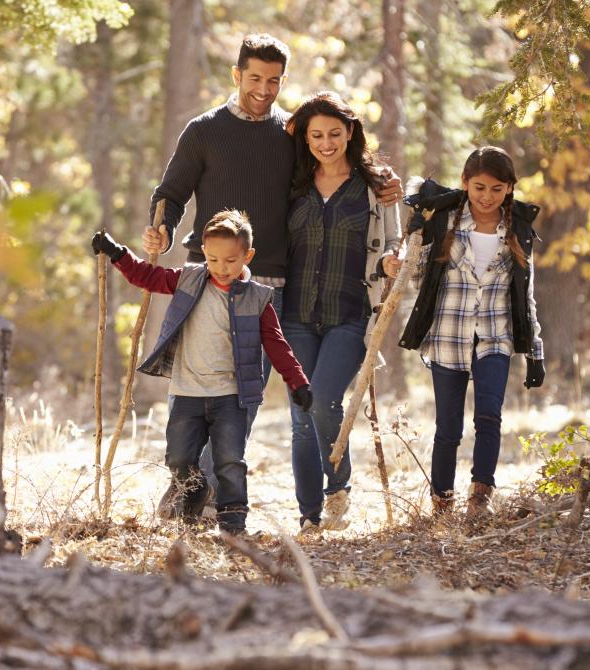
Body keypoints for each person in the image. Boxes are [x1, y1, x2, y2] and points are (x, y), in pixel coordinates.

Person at [143, 34, 401, 519]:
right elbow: (171, 193)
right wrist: (160, 227)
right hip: (209, 280)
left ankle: (201, 490)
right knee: (202, 389)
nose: (264, 89)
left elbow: (338, 169)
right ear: (237, 75)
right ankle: (190, 484)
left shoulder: (290, 135)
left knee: (246, 395)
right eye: (255, 78)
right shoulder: (203, 130)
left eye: (274, 80)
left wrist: (386, 184)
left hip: (272, 289)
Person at [92, 211, 313, 535]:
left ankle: (233, 524)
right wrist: (117, 254)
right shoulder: (190, 279)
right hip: (187, 393)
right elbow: (148, 277)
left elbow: (276, 343)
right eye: (213, 259)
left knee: (229, 462)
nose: (221, 267)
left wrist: (297, 380)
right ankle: (195, 491)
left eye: (230, 260)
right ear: (204, 254)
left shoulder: (257, 297)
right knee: (178, 458)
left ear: (247, 256)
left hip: (231, 397)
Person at [397, 146, 546, 520]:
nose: (487, 196)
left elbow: (525, 293)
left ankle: (481, 495)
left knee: (489, 417)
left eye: (497, 188)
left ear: (510, 188)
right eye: (479, 187)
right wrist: (415, 241)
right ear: (465, 183)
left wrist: (535, 351)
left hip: (495, 336)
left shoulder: (518, 230)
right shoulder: (445, 221)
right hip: (448, 335)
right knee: (448, 427)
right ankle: (441, 501)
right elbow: (416, 279)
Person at [280, 92, 401, 534]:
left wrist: (392, 260)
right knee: (300, 415)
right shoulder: (292, 182)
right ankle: (308, 516)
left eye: (334, 133)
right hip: (294, 315)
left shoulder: (376, 186)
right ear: (306, 139)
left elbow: (395, 241)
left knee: (325, 400)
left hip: (350, 314)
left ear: (350, 132)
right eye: (317, 135)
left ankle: (338, 485)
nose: (326, 143)